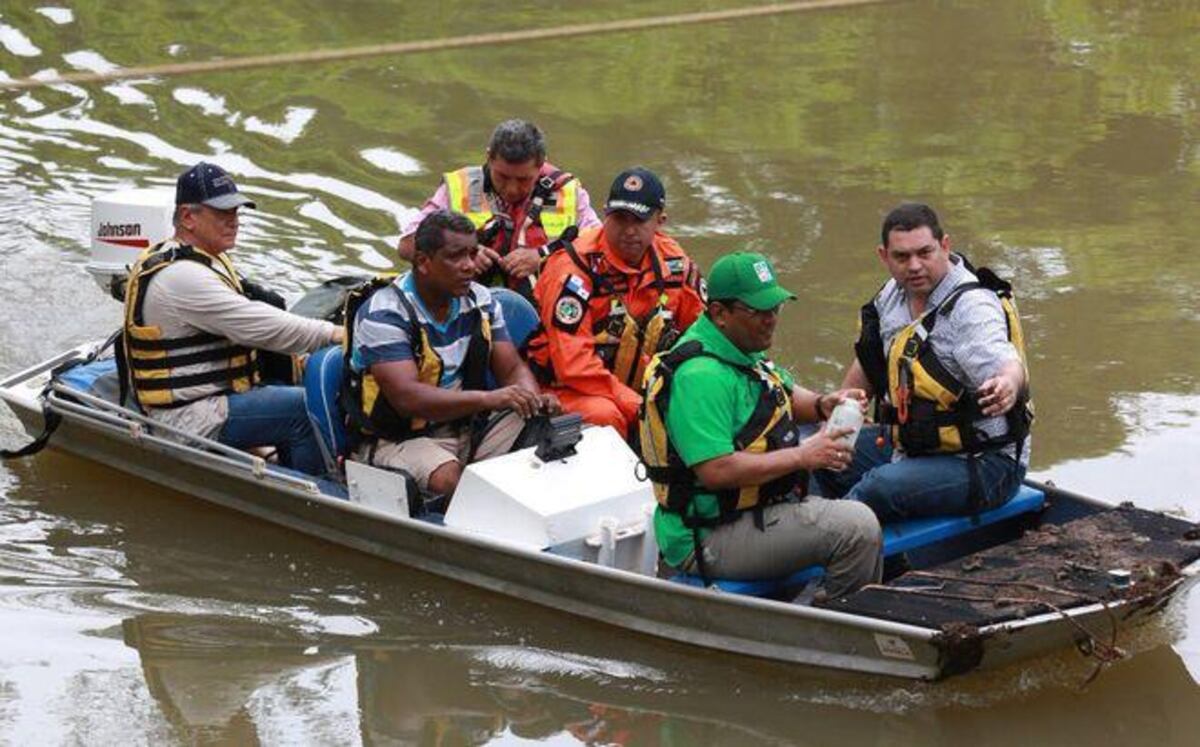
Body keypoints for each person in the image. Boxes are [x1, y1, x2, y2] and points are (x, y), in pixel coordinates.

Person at [639, 252, 882, 599]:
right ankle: (838, 628)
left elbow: (777, 391)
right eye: (758, 311)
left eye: (775, 308)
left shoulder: (738, 347)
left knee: (859, 473)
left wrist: (820, 404)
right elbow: (717, 471)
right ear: (720, 313)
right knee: (857, 527)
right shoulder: (700, 376)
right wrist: (803, 456)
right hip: (709, 533)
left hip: (754, 507)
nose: (771, 320)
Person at [121, 162, 342, 476]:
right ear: (187, 217)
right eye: (222, 214)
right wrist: (335, 334)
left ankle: (287, 456)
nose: (234, 222)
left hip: (217, 396)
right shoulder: (182, 277)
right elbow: (258, 323)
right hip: (189, 417)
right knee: (306, 409)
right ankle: (315, 490)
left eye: (236, 213)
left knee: (305, 382)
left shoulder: (206, 257)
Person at [816, 202, 1032, 522]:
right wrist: (834, 428)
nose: (914, 266)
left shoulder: (971, 307)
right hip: (912, 449)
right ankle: (871, 554)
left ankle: (825, 543)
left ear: (945, 246)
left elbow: (1006, 364)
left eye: (924, 253)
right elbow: (871, 364)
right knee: (820, 457)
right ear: (884, 256)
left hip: (985, 462)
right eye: (902, 257)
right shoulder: (891, 295)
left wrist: (1007, 385)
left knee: (877, 487)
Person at [346, 210, 559, 497]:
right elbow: (407, 398)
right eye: (456, 256)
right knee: (455, 484)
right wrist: (490, 399)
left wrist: (532, 398)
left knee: (550, 436)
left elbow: (511, 370)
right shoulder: (383, 313)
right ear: (423, 262)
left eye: (472, 254)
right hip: (399, 438)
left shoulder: (481, 300)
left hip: (464, 427)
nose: (469, 266)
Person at [525, 167, 706, 438]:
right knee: (607, 416)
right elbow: (573, 364)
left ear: (660, 221)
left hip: (638, 386)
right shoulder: (572, 269)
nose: (629, 231)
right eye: (620, 219)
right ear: (606, 215)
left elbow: (703, 332)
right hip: (568, 387)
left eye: (639, 220)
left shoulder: (674, 263)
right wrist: (639, 405)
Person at [397, 119, 600, 296]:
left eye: (523, 180)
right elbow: (407, 246)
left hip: (542, 308)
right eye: (502, 177)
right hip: (467, 305)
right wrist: (466, 255)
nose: (511, 189)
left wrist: (544, 258)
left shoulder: (568, 192)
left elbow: (601, 249)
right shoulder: (461, 186)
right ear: (489, 157)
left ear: (542, 165)